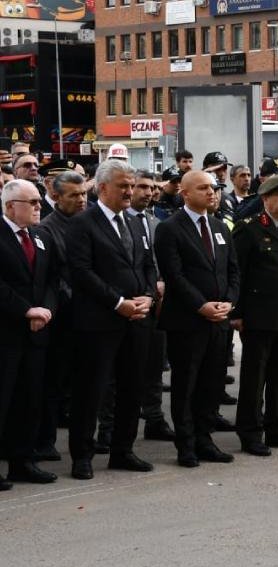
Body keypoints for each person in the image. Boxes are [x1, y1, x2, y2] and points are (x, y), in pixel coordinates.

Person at [64, 160, 158, 480]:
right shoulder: (83, 224)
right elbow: (82, 273)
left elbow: (146, 263)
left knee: (132, 389)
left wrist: (148, 295)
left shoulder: (133, 222)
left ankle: (123, 450)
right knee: (91, 391)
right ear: (102, 188)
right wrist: (118, 303)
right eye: (123, 186)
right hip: (99, 323)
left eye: (131, 185)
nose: (130, 191)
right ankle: (82, 455)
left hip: (136, 320)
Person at [154, 169, 241, 468]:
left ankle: (206, 439)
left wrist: (229, 302)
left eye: (214, 188)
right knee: (186, 384)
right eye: (203, 188)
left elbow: (232, 270)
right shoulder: (170, 228)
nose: (212, 192)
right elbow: (174, 275)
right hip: (187, 322)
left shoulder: (219, 226)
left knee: (212, 383)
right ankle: (186, 445)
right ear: (185, 193)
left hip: (218, 320)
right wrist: (201, 305)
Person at [230, 173, 278, 455]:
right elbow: (237, 273)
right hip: (258, 316)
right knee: (255, 378)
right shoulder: (249, 229)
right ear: (265, 199)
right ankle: (250, 432)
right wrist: (237, 313)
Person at [95, 171, 174, 448]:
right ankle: (107, 428)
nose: (145, 192)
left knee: (152, 368)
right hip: (120, 307)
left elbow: (157, 263)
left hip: (153, 305)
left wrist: (155, 289)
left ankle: (154, 418)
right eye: (139, 186)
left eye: (151, 188)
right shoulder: (115, 222)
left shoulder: (156, 222)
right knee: (115, 377)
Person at [0, 179, 61, 487]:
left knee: (29, 400)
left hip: (37, 333)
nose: (40, 207)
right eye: (33, 202)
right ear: (11, 206)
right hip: (6, 333)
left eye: (39, 201)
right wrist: (26, 310)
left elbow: (51, 280)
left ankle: (23, 461)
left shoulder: (40, 237)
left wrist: (45, 310)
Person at [33, 170, 88, 462]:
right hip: (64, 318)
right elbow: (54, 277)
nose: (81, 200)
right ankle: (45, 440)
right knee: (53, 384)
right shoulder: (47, 229)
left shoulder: (89, 222)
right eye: (74, 196)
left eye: (84, 194)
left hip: (91, 316)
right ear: (55, 197)